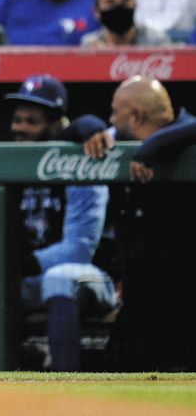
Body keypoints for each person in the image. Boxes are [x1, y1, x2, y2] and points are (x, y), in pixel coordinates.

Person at [0, 76, 115, 372]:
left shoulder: (80, 162)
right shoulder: (9, 163)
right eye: (17, 120)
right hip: (23, 277)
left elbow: (78, 251)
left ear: (57, 125)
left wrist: (19, 264)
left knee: (60, 276)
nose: (20, 128)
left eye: (32, 121)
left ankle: (68, 391)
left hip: (90, 281)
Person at [82, 76, 196, 370]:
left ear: (136, 117)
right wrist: (94, 129)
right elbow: (75, 125)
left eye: (114, 112)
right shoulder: (119, 141)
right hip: (141, 300)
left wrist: (151, 147)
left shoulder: (186, 137)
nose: (110, 119)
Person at [80, 0, 171, 47]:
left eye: (125, 1)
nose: (119, 8)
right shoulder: (90, 46)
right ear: (96, 11)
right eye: (110, 2)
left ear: (135, 4)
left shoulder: (156, 41)